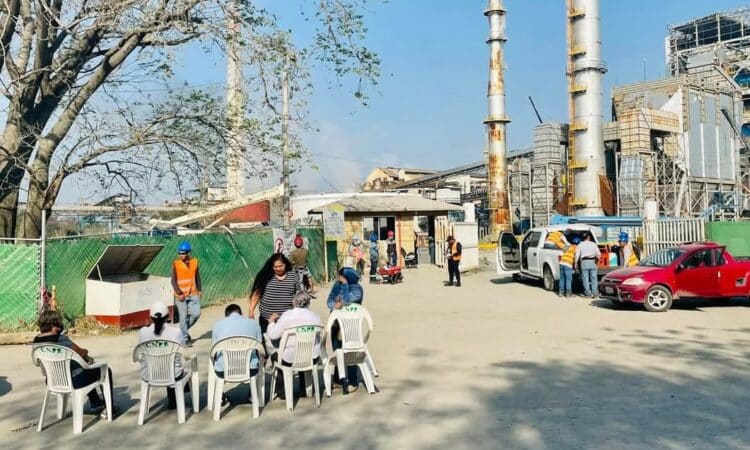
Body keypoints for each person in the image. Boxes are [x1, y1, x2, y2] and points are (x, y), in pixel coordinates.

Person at [34, 309, 118, 419]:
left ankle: (96, 402)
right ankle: (109, 408)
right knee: (103, 371)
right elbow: (80, 352)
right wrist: (85, 351)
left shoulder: (36, 341)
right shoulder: (61, 339)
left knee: (84, 369)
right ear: (55, 324)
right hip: (73, 381)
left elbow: (36, 362)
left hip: (51, 381)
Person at [138, 301, 186, 410]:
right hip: (173, 374)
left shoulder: (143, 332)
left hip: (149, 374)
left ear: (150, 317)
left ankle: (172, 399)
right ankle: (175, 397)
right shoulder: (176, 331)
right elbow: (183, 350)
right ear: (168, 316)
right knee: (176, 364)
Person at [211, 304, 262, 405]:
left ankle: (220, 396)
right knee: (259, 358)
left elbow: (214, 348)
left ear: (226, 316)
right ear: (241, 314)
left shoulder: (218, 325)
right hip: (250, 369)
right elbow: (259, 346)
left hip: (224, 371)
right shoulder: (254, 324)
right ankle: (254, 394)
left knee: (214, 360)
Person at [326, 267, 364, 387]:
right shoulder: (337, 285)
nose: (339, 279)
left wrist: (345, 285)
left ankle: (352, 380)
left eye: (341, 276)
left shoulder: (357, 289)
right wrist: (335, 305)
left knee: (350, 351)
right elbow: (330, 301)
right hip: (337, 323)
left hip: (350, 326)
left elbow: (346, 300)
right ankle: (339, 379)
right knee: (338, 350)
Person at [248, 253, 301, 335]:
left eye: (280, 266)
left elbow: (298, 295)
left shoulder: (293, 276)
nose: (278, 269)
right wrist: (251, 310)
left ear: (285, 265)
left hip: (286, 320)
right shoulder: (266, 276)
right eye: (275, 267)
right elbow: (256, 294)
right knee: (268, 343)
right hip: (266, 320)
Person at [266, 291, 322, 364]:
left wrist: (271, 322)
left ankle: (282, 374)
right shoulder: (315, 317)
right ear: (308, 303)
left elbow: (273, 335)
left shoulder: (287, 315)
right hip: (311, 357)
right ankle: (303, 374)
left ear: (294, 302)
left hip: (289, 359)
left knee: (271, 343)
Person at [171, 241, 201, 346]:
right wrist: (179, 293)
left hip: (193, 292)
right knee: (183, 318)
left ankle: (182, 330)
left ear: (188, 253)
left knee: (196, 314)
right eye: (179, 253)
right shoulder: (176, 264)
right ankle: (184, 339)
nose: (181, 255)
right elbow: (173, 281)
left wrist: (200, 289)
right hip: (180, 295)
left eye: (183, 253)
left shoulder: (195, 262)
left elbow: (197, 277)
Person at [574, 232, 601, 299]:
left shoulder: (580, 245)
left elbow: (577, 255)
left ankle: (588, 293)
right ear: (588, 237)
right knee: (594, 278)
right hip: (593, 261)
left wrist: (575, 263)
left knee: (585, 278)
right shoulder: (593, 244)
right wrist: (597, 259)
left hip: (584, 262)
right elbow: (598, 253)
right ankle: (595, 293)